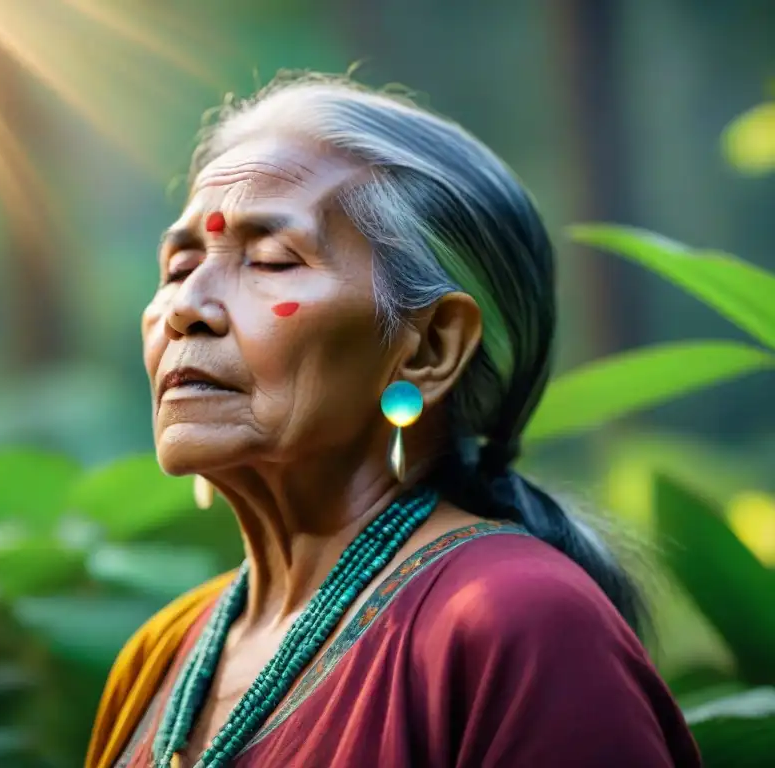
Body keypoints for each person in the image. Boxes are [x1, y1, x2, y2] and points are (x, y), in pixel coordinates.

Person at [86, 73, 701, 768]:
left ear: (430, 349)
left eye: (271, 260)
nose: (185, 307)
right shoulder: (162, 655)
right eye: (178, 265)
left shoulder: (516, 622)